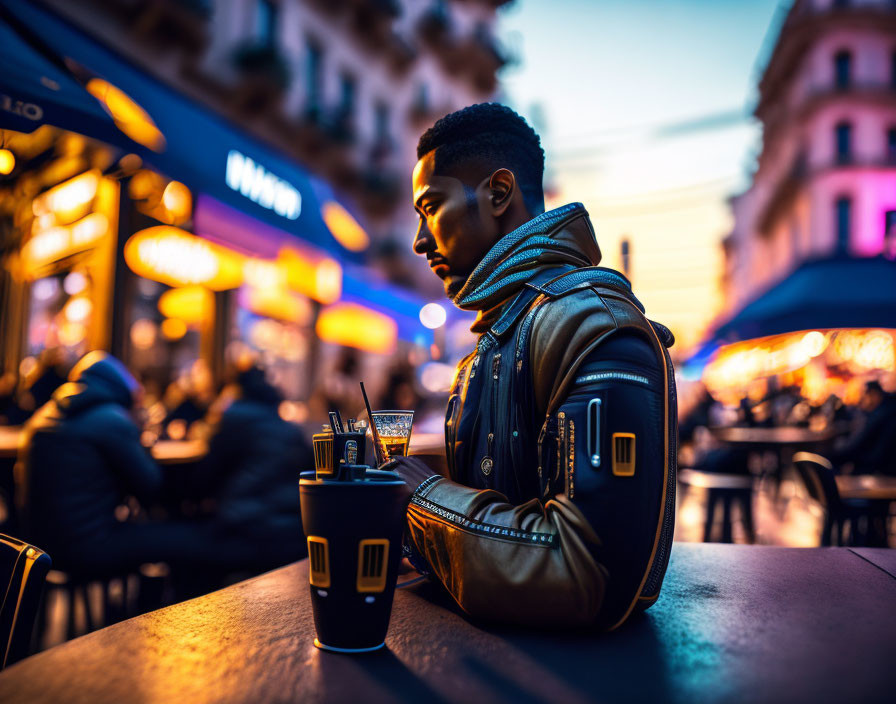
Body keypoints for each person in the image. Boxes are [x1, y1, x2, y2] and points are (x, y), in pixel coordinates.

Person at [388, 104, 676, 630]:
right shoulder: (497, 338)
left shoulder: (591, 323)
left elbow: (590, 572)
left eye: (430, 207)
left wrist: (421, 500)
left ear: (499, 193)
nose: (419, 240)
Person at [189, 364, 313, 567]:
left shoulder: (234, 418)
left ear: (236, 390)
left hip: (247, 527)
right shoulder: (285, 426)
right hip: (291, 529)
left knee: (187, 541)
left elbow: (203, 481)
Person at [829, 380, 896, 475]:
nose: (861, 400)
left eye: (864, 396)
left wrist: (829, 457)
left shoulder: (881, 415)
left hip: (878, 471)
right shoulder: (887, 410)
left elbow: (856, 447)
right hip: (881, 467)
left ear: (873, 395)